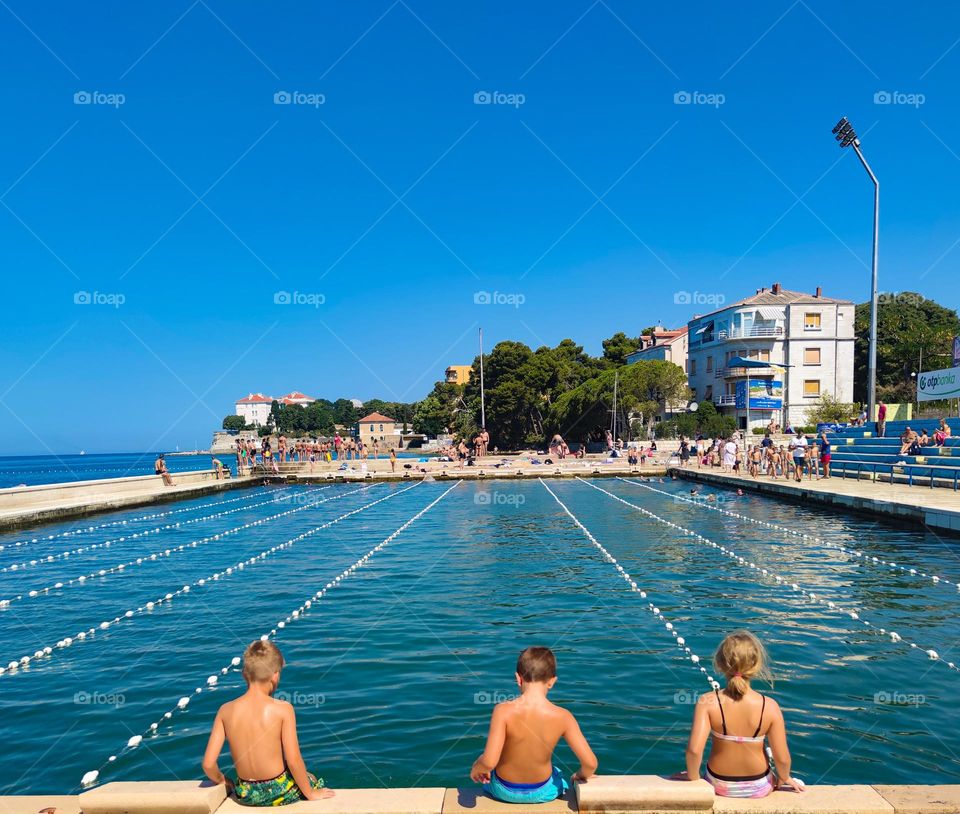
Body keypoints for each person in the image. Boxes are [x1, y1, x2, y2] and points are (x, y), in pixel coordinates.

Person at [202, 641, 334, 806]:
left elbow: (208, 764)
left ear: (244, 674)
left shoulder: (225, 710)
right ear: (275, 675)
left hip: (246, 794)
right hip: (279, 792)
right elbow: (293, 760)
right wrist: (311, 793)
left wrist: (224, 781)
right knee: (311, 778)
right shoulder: (283, 709)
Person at [679, 631, 803, 797]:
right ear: (756, 665)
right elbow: (783, 759)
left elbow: (694, 751)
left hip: (718, 783)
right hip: (759, 785)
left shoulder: (707, 702)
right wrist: (783, 778)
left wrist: (693, 778)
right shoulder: (770, 706)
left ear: (720, 663)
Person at [470, 647, 597, 803]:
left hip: (503, 791)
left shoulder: (502, 711)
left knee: (487, 765)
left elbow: (489, 762)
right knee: (557, 774)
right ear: (552, 681)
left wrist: (477, 767)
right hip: (543, 792)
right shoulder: (564, 716)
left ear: (518, 678)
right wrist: (580, 775)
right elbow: (590, 763)